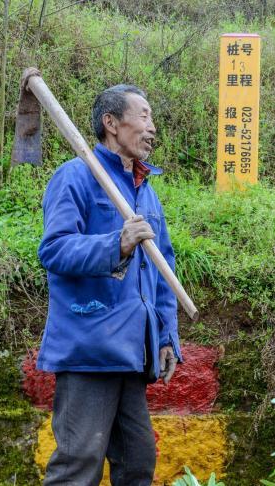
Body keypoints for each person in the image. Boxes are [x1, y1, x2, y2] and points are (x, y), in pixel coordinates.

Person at [37, 84, 181, 485]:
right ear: (111, 123)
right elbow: (55, 250)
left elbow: (162, 268)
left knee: (137, 463)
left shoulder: (145, 192)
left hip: (132, 350)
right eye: (145, 116)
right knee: (79, 463)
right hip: (90, 347)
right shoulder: (75, 177)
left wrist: (167, 336)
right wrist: (115, 243)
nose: (152, 128)